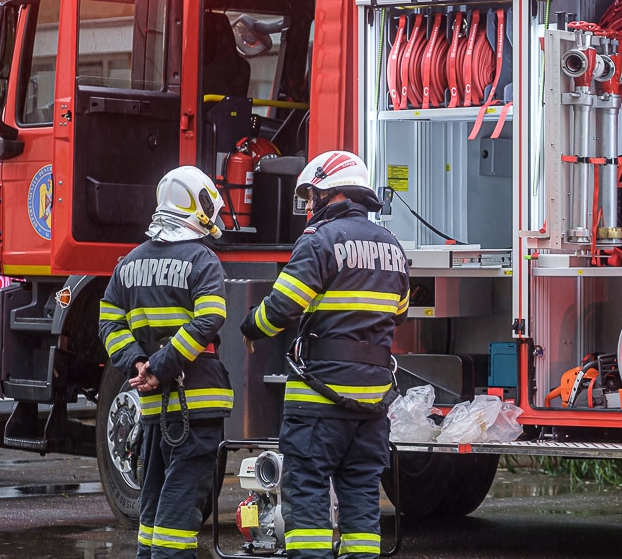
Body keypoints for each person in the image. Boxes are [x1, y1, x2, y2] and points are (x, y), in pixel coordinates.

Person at [240, 151, 409, 559]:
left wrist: (250, 327)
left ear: (332, 193)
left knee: (307, 490)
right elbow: (400, 311)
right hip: (372, 403)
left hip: (319, 398)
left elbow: (282, 307)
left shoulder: (320, 240)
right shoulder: (392, 245)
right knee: (361, 493)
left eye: (312, 195)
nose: (309, 205)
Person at [99, 165, 233, 559]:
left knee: (154, 501)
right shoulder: (202, 260)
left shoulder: (128, 263)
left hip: (154, 408)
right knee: (180, 504)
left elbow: (108, 323)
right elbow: (209, 319)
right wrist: (159, 368)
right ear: (199, 208)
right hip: (196, 405)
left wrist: (138, 364)